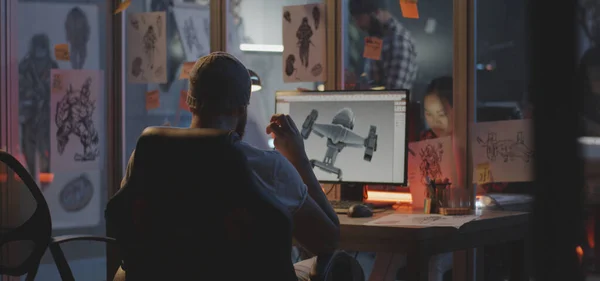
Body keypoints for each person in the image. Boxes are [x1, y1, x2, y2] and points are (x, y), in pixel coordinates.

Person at [109, 52, 341, 281]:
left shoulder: (151, 155)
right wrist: (299, 158)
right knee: (340, 266)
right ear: (242, 109)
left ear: (190, 103)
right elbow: (328, 240)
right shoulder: (269, 168)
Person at [348, 0, 418, 90]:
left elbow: (394, 95)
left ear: (376, 12)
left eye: (359, 18)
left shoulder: (399, 41)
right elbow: (371, 78)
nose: (358, 24)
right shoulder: (374, 37)